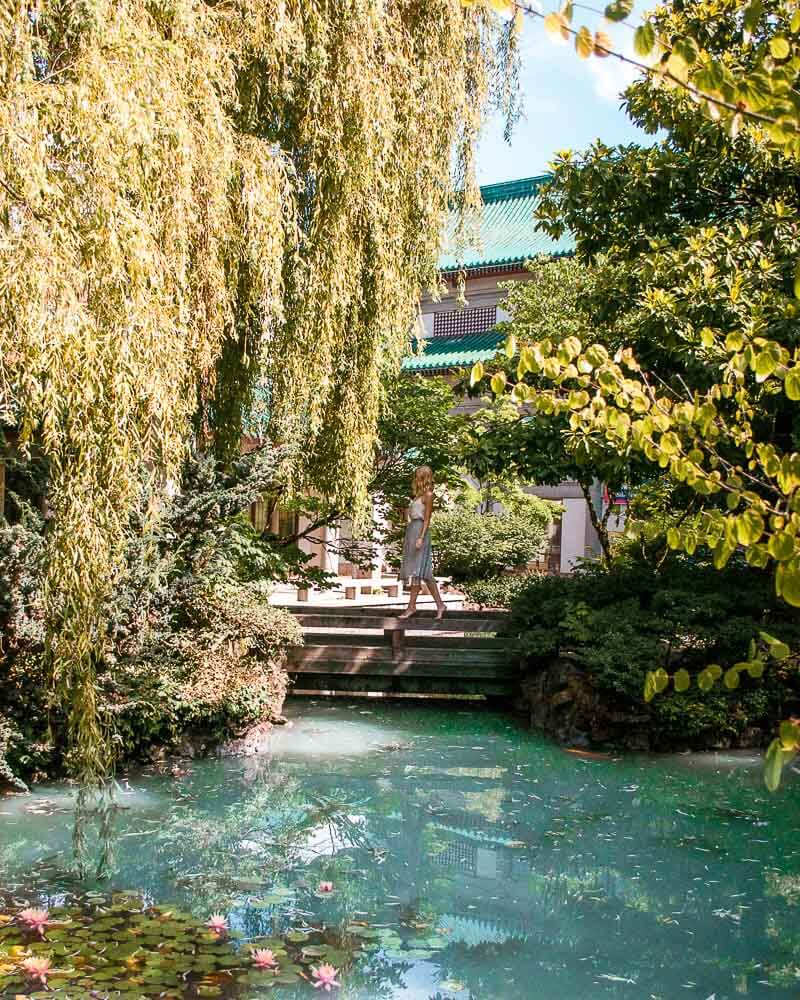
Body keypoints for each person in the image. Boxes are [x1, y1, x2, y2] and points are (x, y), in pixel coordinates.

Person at [398, 466, 446, 620]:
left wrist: (420, 537)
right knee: (424, 573)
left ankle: (411, 607)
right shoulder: (417, 496)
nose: (416, 479)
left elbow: (427, 519)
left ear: (424, 477)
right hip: (412, 530)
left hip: (420, 531)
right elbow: (411, 516)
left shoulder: (428, 495)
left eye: (418, 476)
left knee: (418, 570)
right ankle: (440, 604)